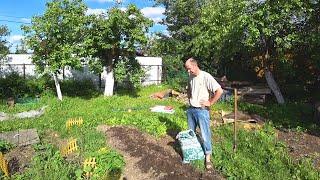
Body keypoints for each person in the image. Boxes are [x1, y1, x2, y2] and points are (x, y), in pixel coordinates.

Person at [184, 57, 223, 170]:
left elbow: (219, 91)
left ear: (195, 65)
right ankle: (193, 152)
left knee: (205, 135)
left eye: (189, 68)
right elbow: (189, 88)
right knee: (191, 133)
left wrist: (210, 102)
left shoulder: (206, 76)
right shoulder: (190, 76)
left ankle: (208, 158)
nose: (188, 71)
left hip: (202, 110)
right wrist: (189, 97)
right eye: (187, 69)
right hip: (191, 109)